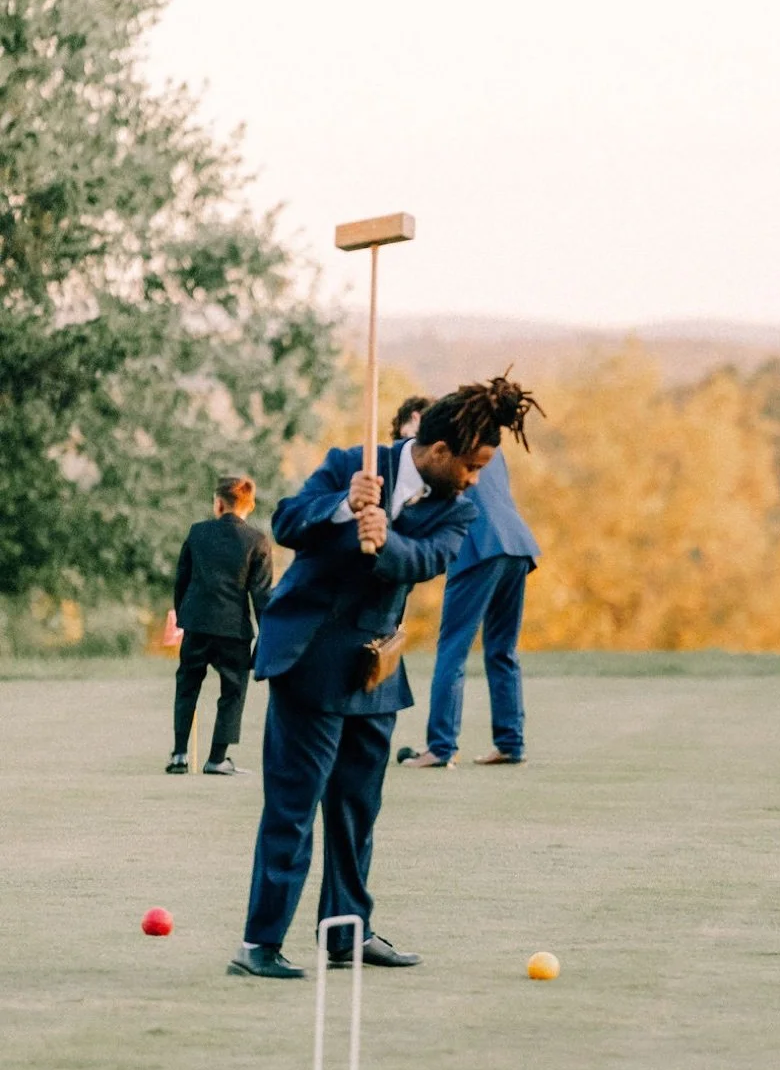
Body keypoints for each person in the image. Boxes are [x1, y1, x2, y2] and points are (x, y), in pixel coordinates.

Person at [228, 377, 539, 980]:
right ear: (440, 450)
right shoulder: (352, 463)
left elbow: (426, 561)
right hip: (308, 657)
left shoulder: (458, 508)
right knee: (294, 808)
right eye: (471, 466)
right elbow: (288, 521)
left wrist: (385, 539)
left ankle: (346, 934)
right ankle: (259, 943)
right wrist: (345, 506)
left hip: (374, 668)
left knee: (357, 810)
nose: (475, 479)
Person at [391, 396, 542, 769]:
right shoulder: (487, 448)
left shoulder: (442, 456)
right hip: (516, 546)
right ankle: (510, 741)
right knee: (502, 648)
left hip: (477, 548)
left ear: (416, 419)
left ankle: (441, 747)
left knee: (452, 649)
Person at [167, 474, 273, 775]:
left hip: (197, 624)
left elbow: (182, 582)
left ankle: (178, 755)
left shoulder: (197, 533)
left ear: (218, 504)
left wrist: (183, 616)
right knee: (233, 691)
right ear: (248, 506)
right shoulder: (257, 541)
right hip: (233, 629)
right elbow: (262, 595)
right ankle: (217, 758)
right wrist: (267, 636)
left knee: (187, 686)